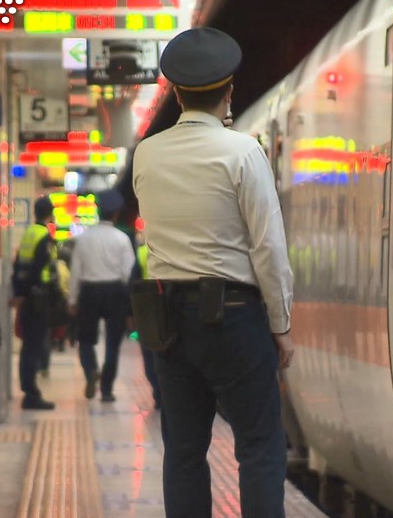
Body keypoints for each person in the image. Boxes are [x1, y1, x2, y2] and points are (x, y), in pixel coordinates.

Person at [132, 27, 295, 517]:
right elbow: (268, 245)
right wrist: (280, 325)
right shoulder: (242, 152)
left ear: (177, 93)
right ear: (228, 90)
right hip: (234, 316)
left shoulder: (147, 152)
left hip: (167, 321)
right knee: (260, 446)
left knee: (183, 451)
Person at [67, 189, 135, 402]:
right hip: (115, 291)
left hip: (89, 291)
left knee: (85, 338)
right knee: (113, 343)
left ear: (97, 211)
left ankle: (90, 371)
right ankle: (106, 390)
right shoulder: (122, 239)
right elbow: (128, 272)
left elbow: (75, 271)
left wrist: (72, 299)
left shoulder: (84, 238)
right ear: (115, 214)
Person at [10, 196, 58, 410]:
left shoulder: (29, 234)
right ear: (50, 213)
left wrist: (19, 292)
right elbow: (39, 268)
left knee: (28, 345)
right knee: (34, 346)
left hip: (28, 298)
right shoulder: (44, 237)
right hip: (38, 298)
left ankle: (28, 389)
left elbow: (18, 265)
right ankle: (31, 394)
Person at [132, 235, 162, 409]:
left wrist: (131, 313)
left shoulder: (142, 252)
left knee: (149, 353)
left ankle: (158, 392)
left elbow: (133, 283)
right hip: (172, 307)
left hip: (147, 310)